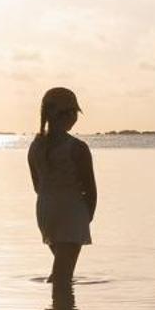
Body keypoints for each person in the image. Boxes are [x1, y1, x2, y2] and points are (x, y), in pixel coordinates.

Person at [28, 86, 96, 284]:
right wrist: (87, 216)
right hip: (71, 211)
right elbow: (90, 189)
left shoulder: (35, 146)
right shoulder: (78, 148)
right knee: (62, 276)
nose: (75, 117)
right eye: (74, 112)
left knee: (61, 271)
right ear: (66, 115)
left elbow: (37, 186)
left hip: (45, 211)